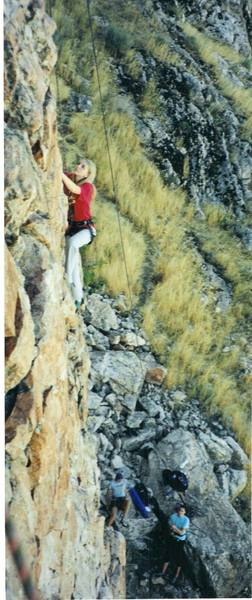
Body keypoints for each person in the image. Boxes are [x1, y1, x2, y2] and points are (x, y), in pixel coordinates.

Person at [62, 159, 96, 308]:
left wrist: (61, 176)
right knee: (74, 261)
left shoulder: (88, 187)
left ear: (88, 173)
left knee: (72, 244)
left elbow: (76, 190)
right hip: (73, 228)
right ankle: (78, 298)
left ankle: (67, 278)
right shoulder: (71, 177)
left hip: (86, 230)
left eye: (83, 166)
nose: (78, 166)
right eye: (79, 163)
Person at [161, 504, 190, 584]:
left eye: (182, 511)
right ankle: (163, 572)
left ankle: (176, 576)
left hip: (180, 540)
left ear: (185, 512)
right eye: (179, 510)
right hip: (172, 538)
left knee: (179, 557)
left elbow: (181, 533)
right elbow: (169, 525)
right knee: (167, 554)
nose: (180, 512)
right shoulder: (174, 516)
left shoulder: (186, 520)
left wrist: (175, 528)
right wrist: (175, 529)